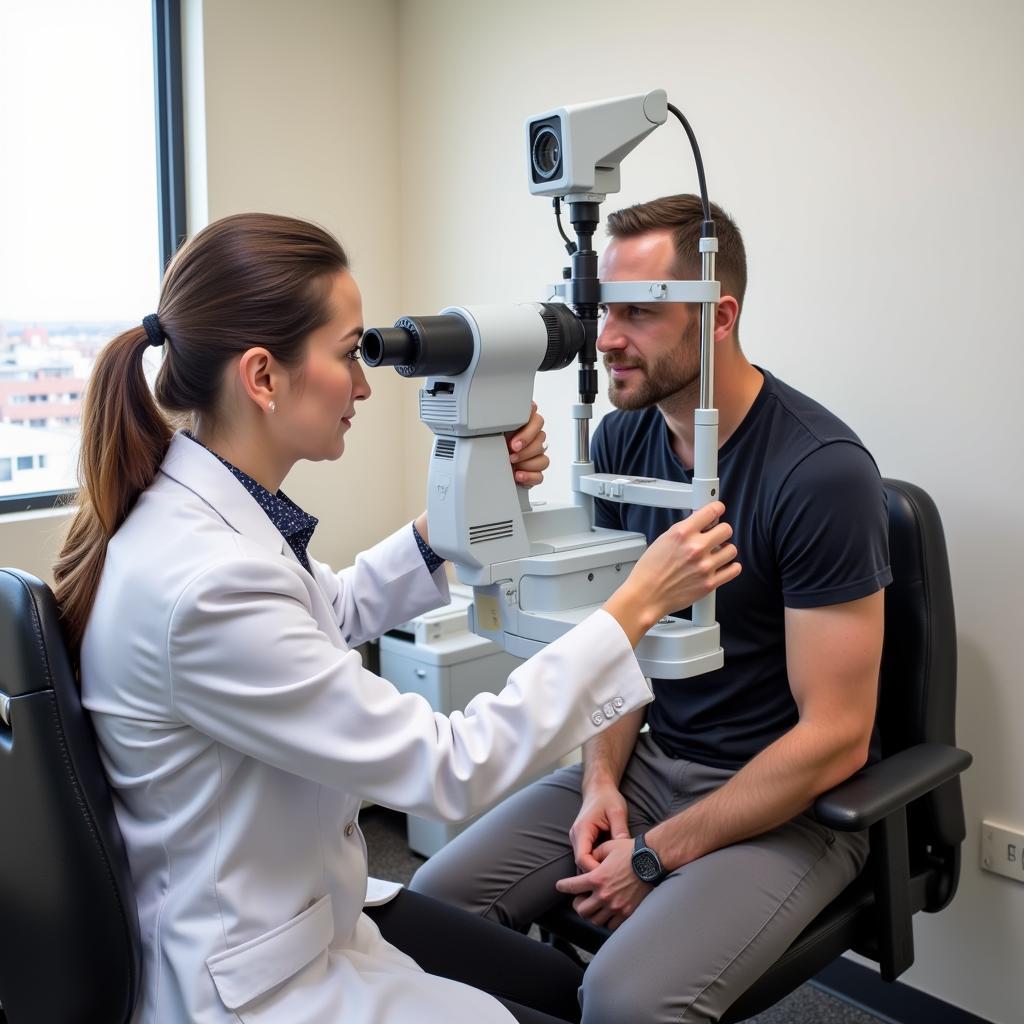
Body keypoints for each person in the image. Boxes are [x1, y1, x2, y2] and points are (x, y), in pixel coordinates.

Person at [53, 212, 741, 1024]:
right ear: (263, 377)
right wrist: (631, 609)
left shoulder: (196, 515)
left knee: (563, 990)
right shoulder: (210, 582)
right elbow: (449, 768)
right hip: (255, 981)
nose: (366, 383)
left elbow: (330, 611)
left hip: (294, 907)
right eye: (349, 354)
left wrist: (454, 518)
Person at [411, 194, 892, 1024]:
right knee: (428, 913)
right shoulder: (620, 445)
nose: (604, 340)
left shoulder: (820, 474)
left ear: (718, 316)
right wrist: (601, 779)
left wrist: (655, 856)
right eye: (604, 311)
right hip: (644, 762)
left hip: (785, 805)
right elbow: (617, 641)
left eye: (640, 313)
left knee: (627, 1001)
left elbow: (837, 737)